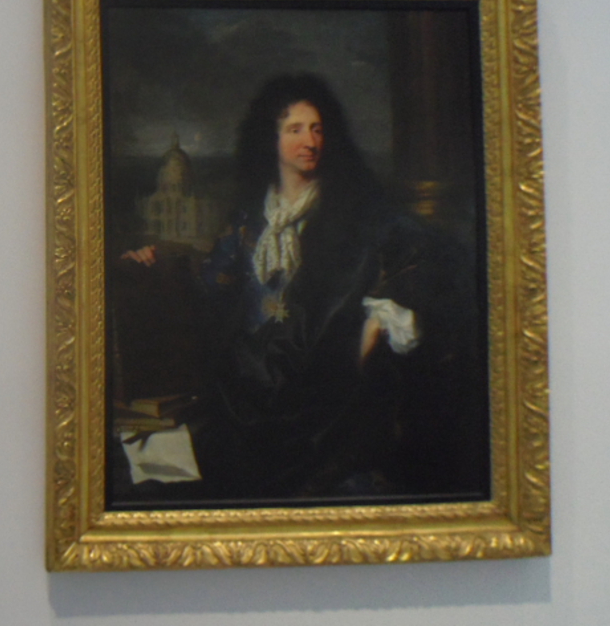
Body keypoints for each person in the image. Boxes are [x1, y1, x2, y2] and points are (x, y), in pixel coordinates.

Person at [119, 73, 486, 503]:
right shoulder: (249, 219)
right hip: (247, 390)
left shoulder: (353, 212)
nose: (310, 141)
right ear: (271, 138)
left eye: (317, 129)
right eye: (295, 129)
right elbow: (208, 292)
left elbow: (431, 254)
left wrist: (381, 315)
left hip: (325, 387)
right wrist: (154, 264)